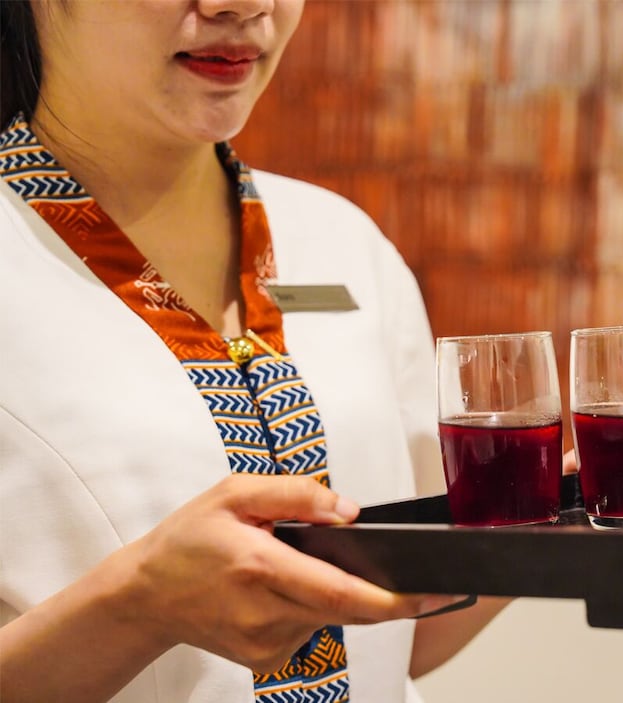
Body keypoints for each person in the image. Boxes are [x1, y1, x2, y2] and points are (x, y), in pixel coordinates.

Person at [0, 1, 514, 701]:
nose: (243, 4)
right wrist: (137, 605)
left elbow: (396, 638)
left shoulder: (343, 241)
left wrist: (548, 532)